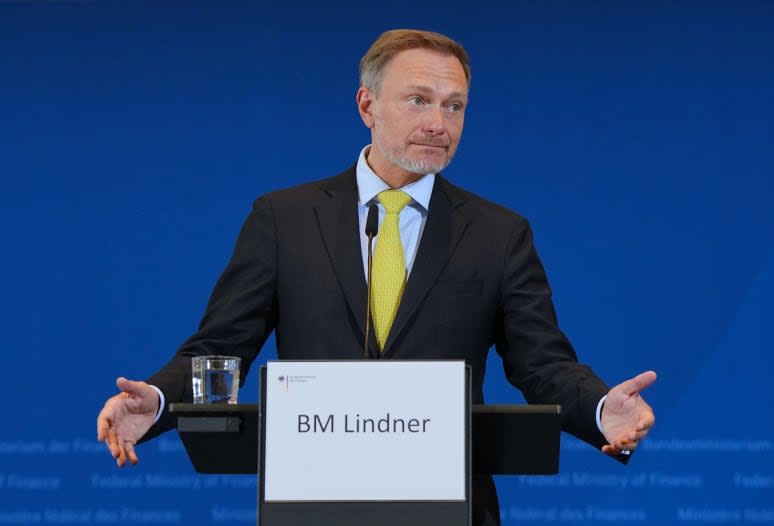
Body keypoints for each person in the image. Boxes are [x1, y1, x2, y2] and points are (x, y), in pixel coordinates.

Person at [97, 29, 656, 526]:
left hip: (451, 506)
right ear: (367, 104)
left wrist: (603, 409)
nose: (439, 124)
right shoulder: (284, 219)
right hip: (312, 500)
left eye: (455, 105)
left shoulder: (499, 232)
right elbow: (222, 346)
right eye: (419, 100)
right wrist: (159, 399)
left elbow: (543, 364)